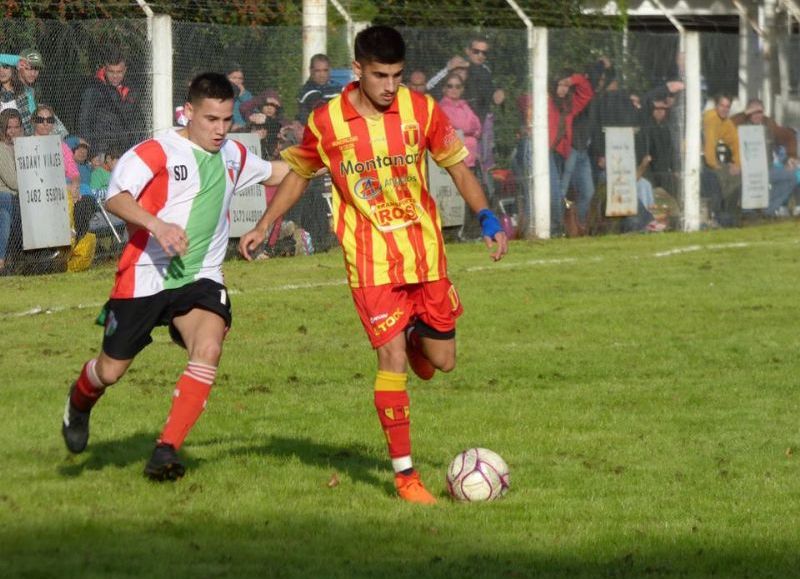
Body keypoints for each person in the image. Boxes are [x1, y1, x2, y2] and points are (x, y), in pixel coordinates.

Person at [238, 25, 508, 504]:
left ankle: (411, 332)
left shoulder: (422, 109)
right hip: (371, 263)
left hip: (425, 257)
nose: (390, 86)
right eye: (380, 75)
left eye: (398, 76)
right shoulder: (326, 122)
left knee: (441, 363)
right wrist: (265, 223)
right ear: (357, 69)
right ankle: (405, 478)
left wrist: (486, 217)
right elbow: (300, 175)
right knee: (393, 362)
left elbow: (458, 168)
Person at [60, 72, 290, 481]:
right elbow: (114, 196)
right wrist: (158, 226)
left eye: (226, 119)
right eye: (210, 120)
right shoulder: (155, 151)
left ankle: (165, 450)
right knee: (109, 371)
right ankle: (79, 403)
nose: (220, 130)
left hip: (201, 276)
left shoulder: (234, 154)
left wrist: (325, 157)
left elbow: (278, 172)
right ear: (188, 112)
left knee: (209, 349)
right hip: (146, 275)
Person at [731, 98, 798, 216]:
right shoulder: (739, 122)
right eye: (753, 112)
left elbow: (789, 136)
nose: (757, 115)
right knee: (742, 181)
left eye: (760, 112)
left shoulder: (769, 124)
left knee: (792, 177)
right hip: (745, 171)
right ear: (748, 112)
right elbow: (727, 125)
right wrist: (744, 114)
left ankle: (767, 209)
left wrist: (791, 156)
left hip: (768, 169)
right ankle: (749, 212)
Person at [78, 50, 140, 155]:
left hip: (126, 150)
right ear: (105, 70)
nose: (115, 76)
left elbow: (137, 121)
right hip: (101, 151)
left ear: (125, 70)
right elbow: (84, 121)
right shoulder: (94, 88)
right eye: (111, 72)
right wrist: (92, 154)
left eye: (119, 72)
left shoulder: (131, 88)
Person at [701, 94, 741, 227]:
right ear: (716, 106)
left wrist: (737, 163)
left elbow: (735, 142)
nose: (724, 109)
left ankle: (728, 214)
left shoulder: (726, 122)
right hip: (701, 159)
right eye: (722, 106)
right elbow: (710, 143)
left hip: (711, 159)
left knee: (736, 176)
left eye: (727, 107)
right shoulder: (711, 118)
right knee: (720, 177)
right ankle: (720, 215)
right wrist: (714, 164)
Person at [0, 108, 22, 273]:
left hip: (16, 194)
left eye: (16, 127)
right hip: (5, 193)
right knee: (7, 203)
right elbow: (13, 182)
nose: (13, 131)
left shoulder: (21, 146)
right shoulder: (1, 148)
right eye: (9, 127)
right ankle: (2, 259)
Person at [296, 54, 342, 124]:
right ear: (311, 71)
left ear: (330, 70)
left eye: (325, 70)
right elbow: (321, 113)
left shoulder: (339, 88)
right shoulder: (307, 91)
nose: (322, 75)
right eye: (318, 71)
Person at [226, 64, 252, 131]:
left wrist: (243, 95)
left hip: (245, 129)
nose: (237, 81)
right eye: (233, 78)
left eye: (240, 78)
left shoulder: (247, 94)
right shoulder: (222, 93)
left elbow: (253, 109)